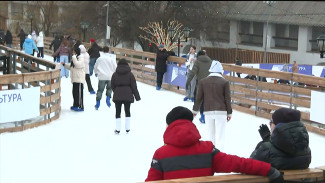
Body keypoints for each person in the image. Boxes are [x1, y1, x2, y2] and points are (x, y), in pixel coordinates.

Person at [145, 106, 283, 183]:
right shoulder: (207, 150)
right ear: (190, 125)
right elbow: (238, 163)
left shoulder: (161, 154)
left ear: (169, 126)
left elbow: (151, 182)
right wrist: (269, 170)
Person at [192, 60, 232, 150]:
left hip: (208, 111)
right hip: (221, 112)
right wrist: (229, 113)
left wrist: (195, 110)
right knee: (220, 135)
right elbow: (227, 99)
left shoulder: (203, 82)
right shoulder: (224, 82)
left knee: (210, 134)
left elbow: (198, 98)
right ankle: (220, 155)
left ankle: (211, 154)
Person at [111, 58, 141, 134]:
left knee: (118, 111)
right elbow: (134, 86)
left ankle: (118, 129)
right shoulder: (130, 74)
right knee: (127, 110)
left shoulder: (115, 74)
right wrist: (137, 97)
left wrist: (116, 91)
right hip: (128, 94)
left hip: (117, 95)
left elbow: (112, 85)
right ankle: (127, 128)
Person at [186, 50, 213, 123]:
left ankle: (202, 116)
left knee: (199, 100)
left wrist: (187, 82)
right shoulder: (210, 62)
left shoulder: (197, 62)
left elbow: (192, 73)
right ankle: (206, 115)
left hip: (200, 85)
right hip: (209, 84)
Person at [61, 47, 85, 112]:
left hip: (79, 78)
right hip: (74, 78)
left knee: (79, 93)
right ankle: (75, 105)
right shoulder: (75, 58)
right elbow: (71, 67)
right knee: (74, 93)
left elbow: (78, 65)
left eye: (74, 51)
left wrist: (74, 58)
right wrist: (64, 65)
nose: (72, 53)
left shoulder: (81, 58)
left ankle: (81, 106)